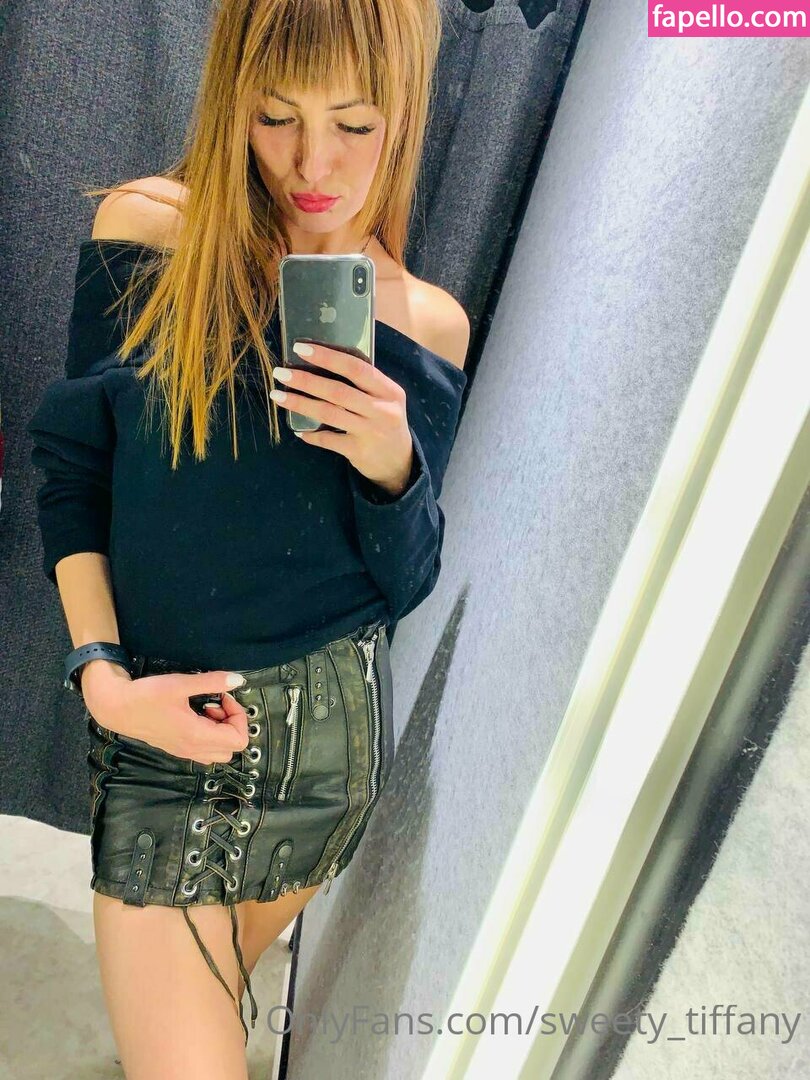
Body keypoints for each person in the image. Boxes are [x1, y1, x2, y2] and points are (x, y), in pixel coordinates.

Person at [26, 1, 469, 1076]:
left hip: (331, 755)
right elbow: (75, 477)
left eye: (354, 124)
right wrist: (103, 681)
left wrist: (391, 464)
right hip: (170, 737)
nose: (312, 163)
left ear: (404, 113)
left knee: (199, 1021)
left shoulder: (425, 322)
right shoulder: (151, 232)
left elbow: (403, 584)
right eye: (277, 117)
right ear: (233, 101)